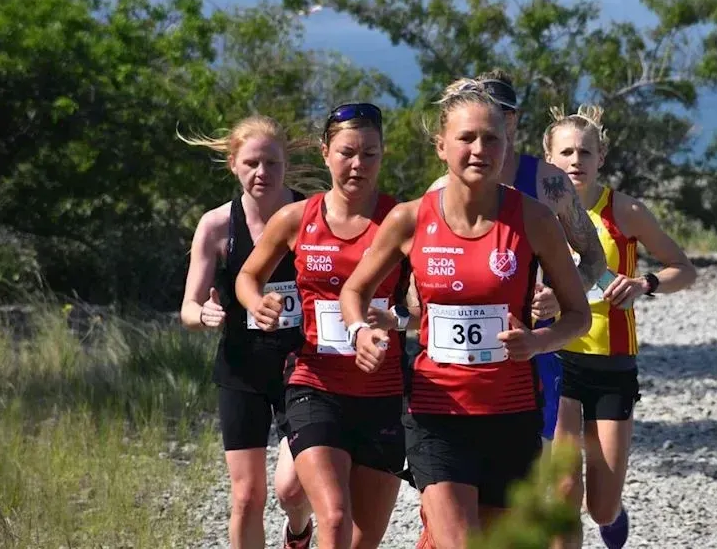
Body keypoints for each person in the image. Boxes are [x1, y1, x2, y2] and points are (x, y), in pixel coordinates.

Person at [341, 79, 592, 549]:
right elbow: (355, 289)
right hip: (437, 413)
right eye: (466, 138)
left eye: (491, 138)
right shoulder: (412, 218)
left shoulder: (535, 219)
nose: (480, 149)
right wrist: (360, 331)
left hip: (512, 413)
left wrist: (538, 341)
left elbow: (579, 315)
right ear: (441, 146)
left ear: (508, 144)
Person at [236, 102, 407, 549]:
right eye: (347, 151)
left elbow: (427, 306)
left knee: (360, 541)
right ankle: (302, 529)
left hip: (382, 392)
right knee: (333, 517)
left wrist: (398, 319)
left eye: (370, 153)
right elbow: (247, 276)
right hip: (315, 383)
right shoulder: (297, 218)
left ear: (383, 154)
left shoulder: (403, 221)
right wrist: (257, 304)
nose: (358, 164)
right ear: (325, 152)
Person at [539, 105, 697, 549]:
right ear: (549, 158)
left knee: (601, 506)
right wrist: (540, 303)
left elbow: (683, 268)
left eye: (585, 152)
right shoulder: (534, 214)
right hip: (558, 357)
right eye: (566, 152)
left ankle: (612, 515)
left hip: (613, 364)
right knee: (564, 492)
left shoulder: (625, 211)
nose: (575, 161)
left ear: (601, 156)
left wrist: (645, 284)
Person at [427, 69, 608, 445]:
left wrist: (563, 293)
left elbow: (594, 256)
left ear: (513, 120)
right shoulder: (440, 191)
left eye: (503, 115)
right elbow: (415, 284)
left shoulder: (548, 182)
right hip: (454, 360)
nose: (494, 125)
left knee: (522, 475)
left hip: (531, 350)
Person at [177, 115, 315, 549]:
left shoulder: (314, 215)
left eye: (272, 163)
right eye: (252, 163)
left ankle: (298, 530)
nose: (262, 173)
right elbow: (188, 307)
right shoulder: (217, 226)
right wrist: (206, 315)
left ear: (285, 164)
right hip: (242, 368)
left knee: (293, 490)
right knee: (246, 495)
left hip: (305, 367)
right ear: (233, 164)